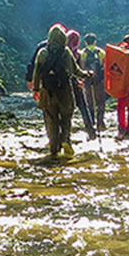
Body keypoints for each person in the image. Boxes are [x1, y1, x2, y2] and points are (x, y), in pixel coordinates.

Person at [33, 23, 84, 159]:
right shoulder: (66, 52)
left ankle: (53, 149)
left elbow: (36, 73)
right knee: (66, 117)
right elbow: (75, 71)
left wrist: (36, 90)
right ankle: (65, 140)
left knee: (51, 120)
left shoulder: (42, 52)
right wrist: (87, 75)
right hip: (65, 90)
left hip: (47, 91)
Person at [67, 28, 97, 139]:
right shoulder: (78, 54)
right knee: (83, 107)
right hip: (78, 85)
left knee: (66, 110)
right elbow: (79, 70)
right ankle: (90, 130)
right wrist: (85, 76)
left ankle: (65, 134)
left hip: (65, 86)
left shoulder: (64, 53)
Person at [79, 33, 107, 131]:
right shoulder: (101, 52)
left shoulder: (83, 53)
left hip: (88, 80)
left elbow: (82, 67)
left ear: (86, 42)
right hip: (99, 80)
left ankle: (92, 122)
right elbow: (105, 66)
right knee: (101, 101)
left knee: (90, 101)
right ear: (95, 42)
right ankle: (100, 121)